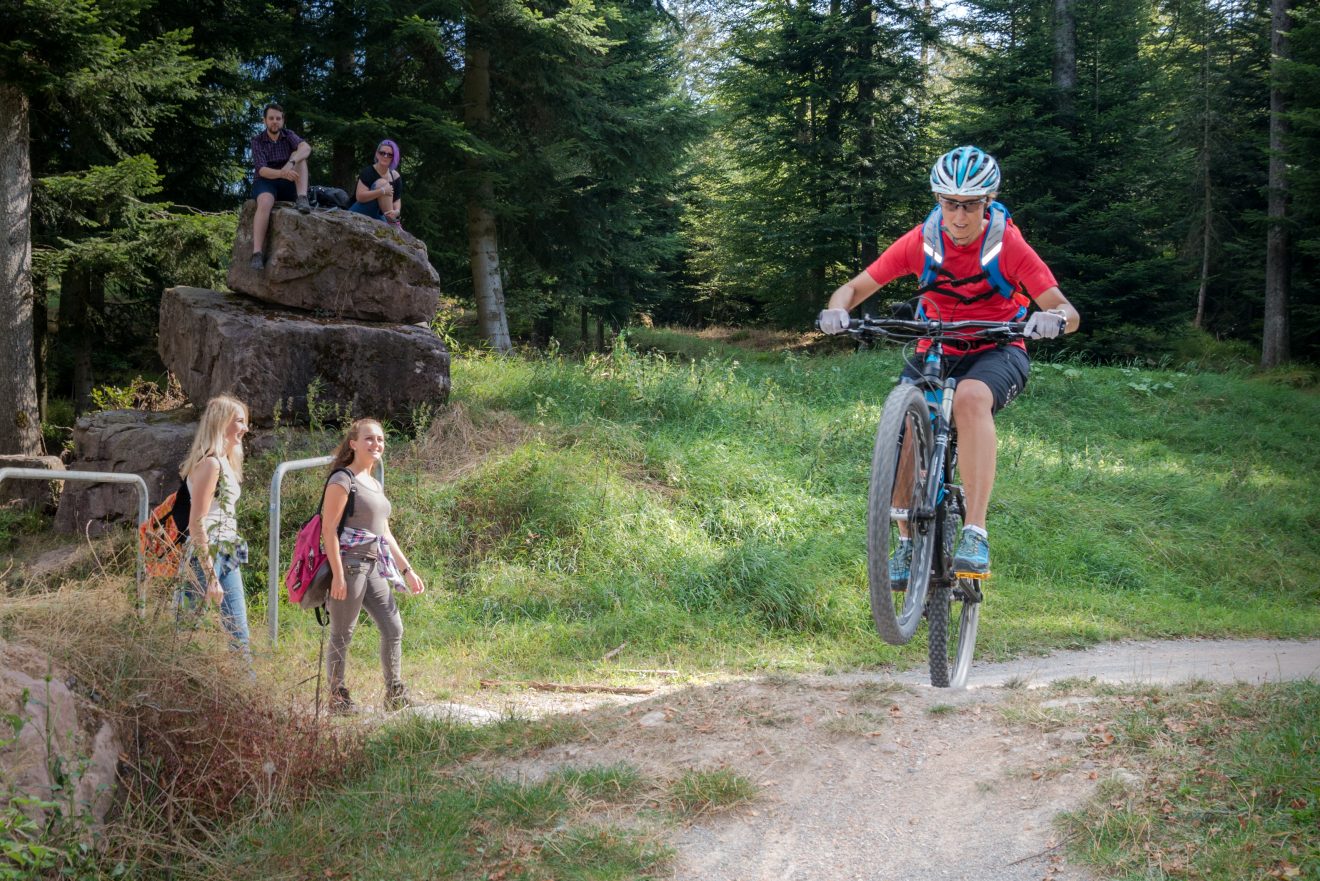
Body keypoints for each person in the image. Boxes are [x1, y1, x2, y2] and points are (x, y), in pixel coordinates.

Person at [818, 145, 1080, 581]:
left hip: (998, 348)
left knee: (971, 399)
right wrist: (835, 310)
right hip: (936, 346)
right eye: (950, 203)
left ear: (987, 203)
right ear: (938, 201)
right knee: (904, 414)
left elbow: (1066, 310)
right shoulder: (922, 241)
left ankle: (975, 530)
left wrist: (1051, 319)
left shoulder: (1008, 245)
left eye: (971, 205)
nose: (959, 216)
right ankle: (904, 542)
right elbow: (853, 289)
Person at [321, 418, 425, 714]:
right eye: (369, 439)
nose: (376, 444)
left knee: (393, 627)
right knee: (343, 633)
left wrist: (407, 570)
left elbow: (384, 532)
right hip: (350, 566)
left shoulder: (375, 482)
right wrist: (338, 575)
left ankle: (395, 693)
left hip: (375, 565)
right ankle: (337, 699)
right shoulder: (343, 480)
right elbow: (328, 530)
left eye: (380, 439)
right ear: (353, 443)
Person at [176, 394, 252, 654]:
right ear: (223, 422)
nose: (245, 428)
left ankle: (246, 692)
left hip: (227, 548)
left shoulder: (225, 462)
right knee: (182, 634)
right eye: (240, 421)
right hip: (207, 554)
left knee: (238, 633)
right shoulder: (210, 463)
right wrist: (210, 575)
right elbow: (197, 523)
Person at [249, 102, 312, 271]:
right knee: (265, 201)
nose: (275, 122)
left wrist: (290, 163)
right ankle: (257, 253)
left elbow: (306, 148)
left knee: (299, 155)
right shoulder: (257, 141)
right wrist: (282, 173)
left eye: (278, 118)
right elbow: (262, 170)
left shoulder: (288, 135)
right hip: (266, 181)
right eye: (271, 118)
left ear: (283, 120)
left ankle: (302, 197)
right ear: (265, 121)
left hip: (288, 180)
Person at [349, 139, 404, 228]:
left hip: (377, 213)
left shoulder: (395, 176)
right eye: (382, 153)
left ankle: (392, 222)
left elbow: (397, 199)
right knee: (382, 183)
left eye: (389, 155)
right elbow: (360, 197)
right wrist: (382, 191)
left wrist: (397, 211)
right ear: (377, 154)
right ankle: (393, 223)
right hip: (357, 210)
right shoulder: (368, 172)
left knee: (387, 228)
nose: (385, 156)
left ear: (393, 158)